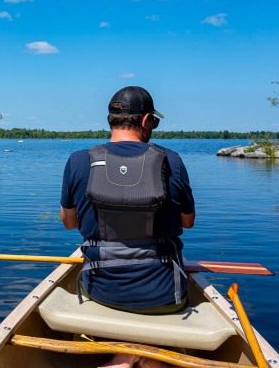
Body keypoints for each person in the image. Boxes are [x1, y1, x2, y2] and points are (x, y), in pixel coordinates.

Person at [60, 86, 195, 368]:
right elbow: (188, 222)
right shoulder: (172, 161)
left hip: (101, 292)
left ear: (110, 119)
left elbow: (70, 224)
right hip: (164, 295)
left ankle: (122, 357)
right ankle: (146, 356)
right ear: (146, 121)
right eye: (154, 122)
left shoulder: (77, 161)